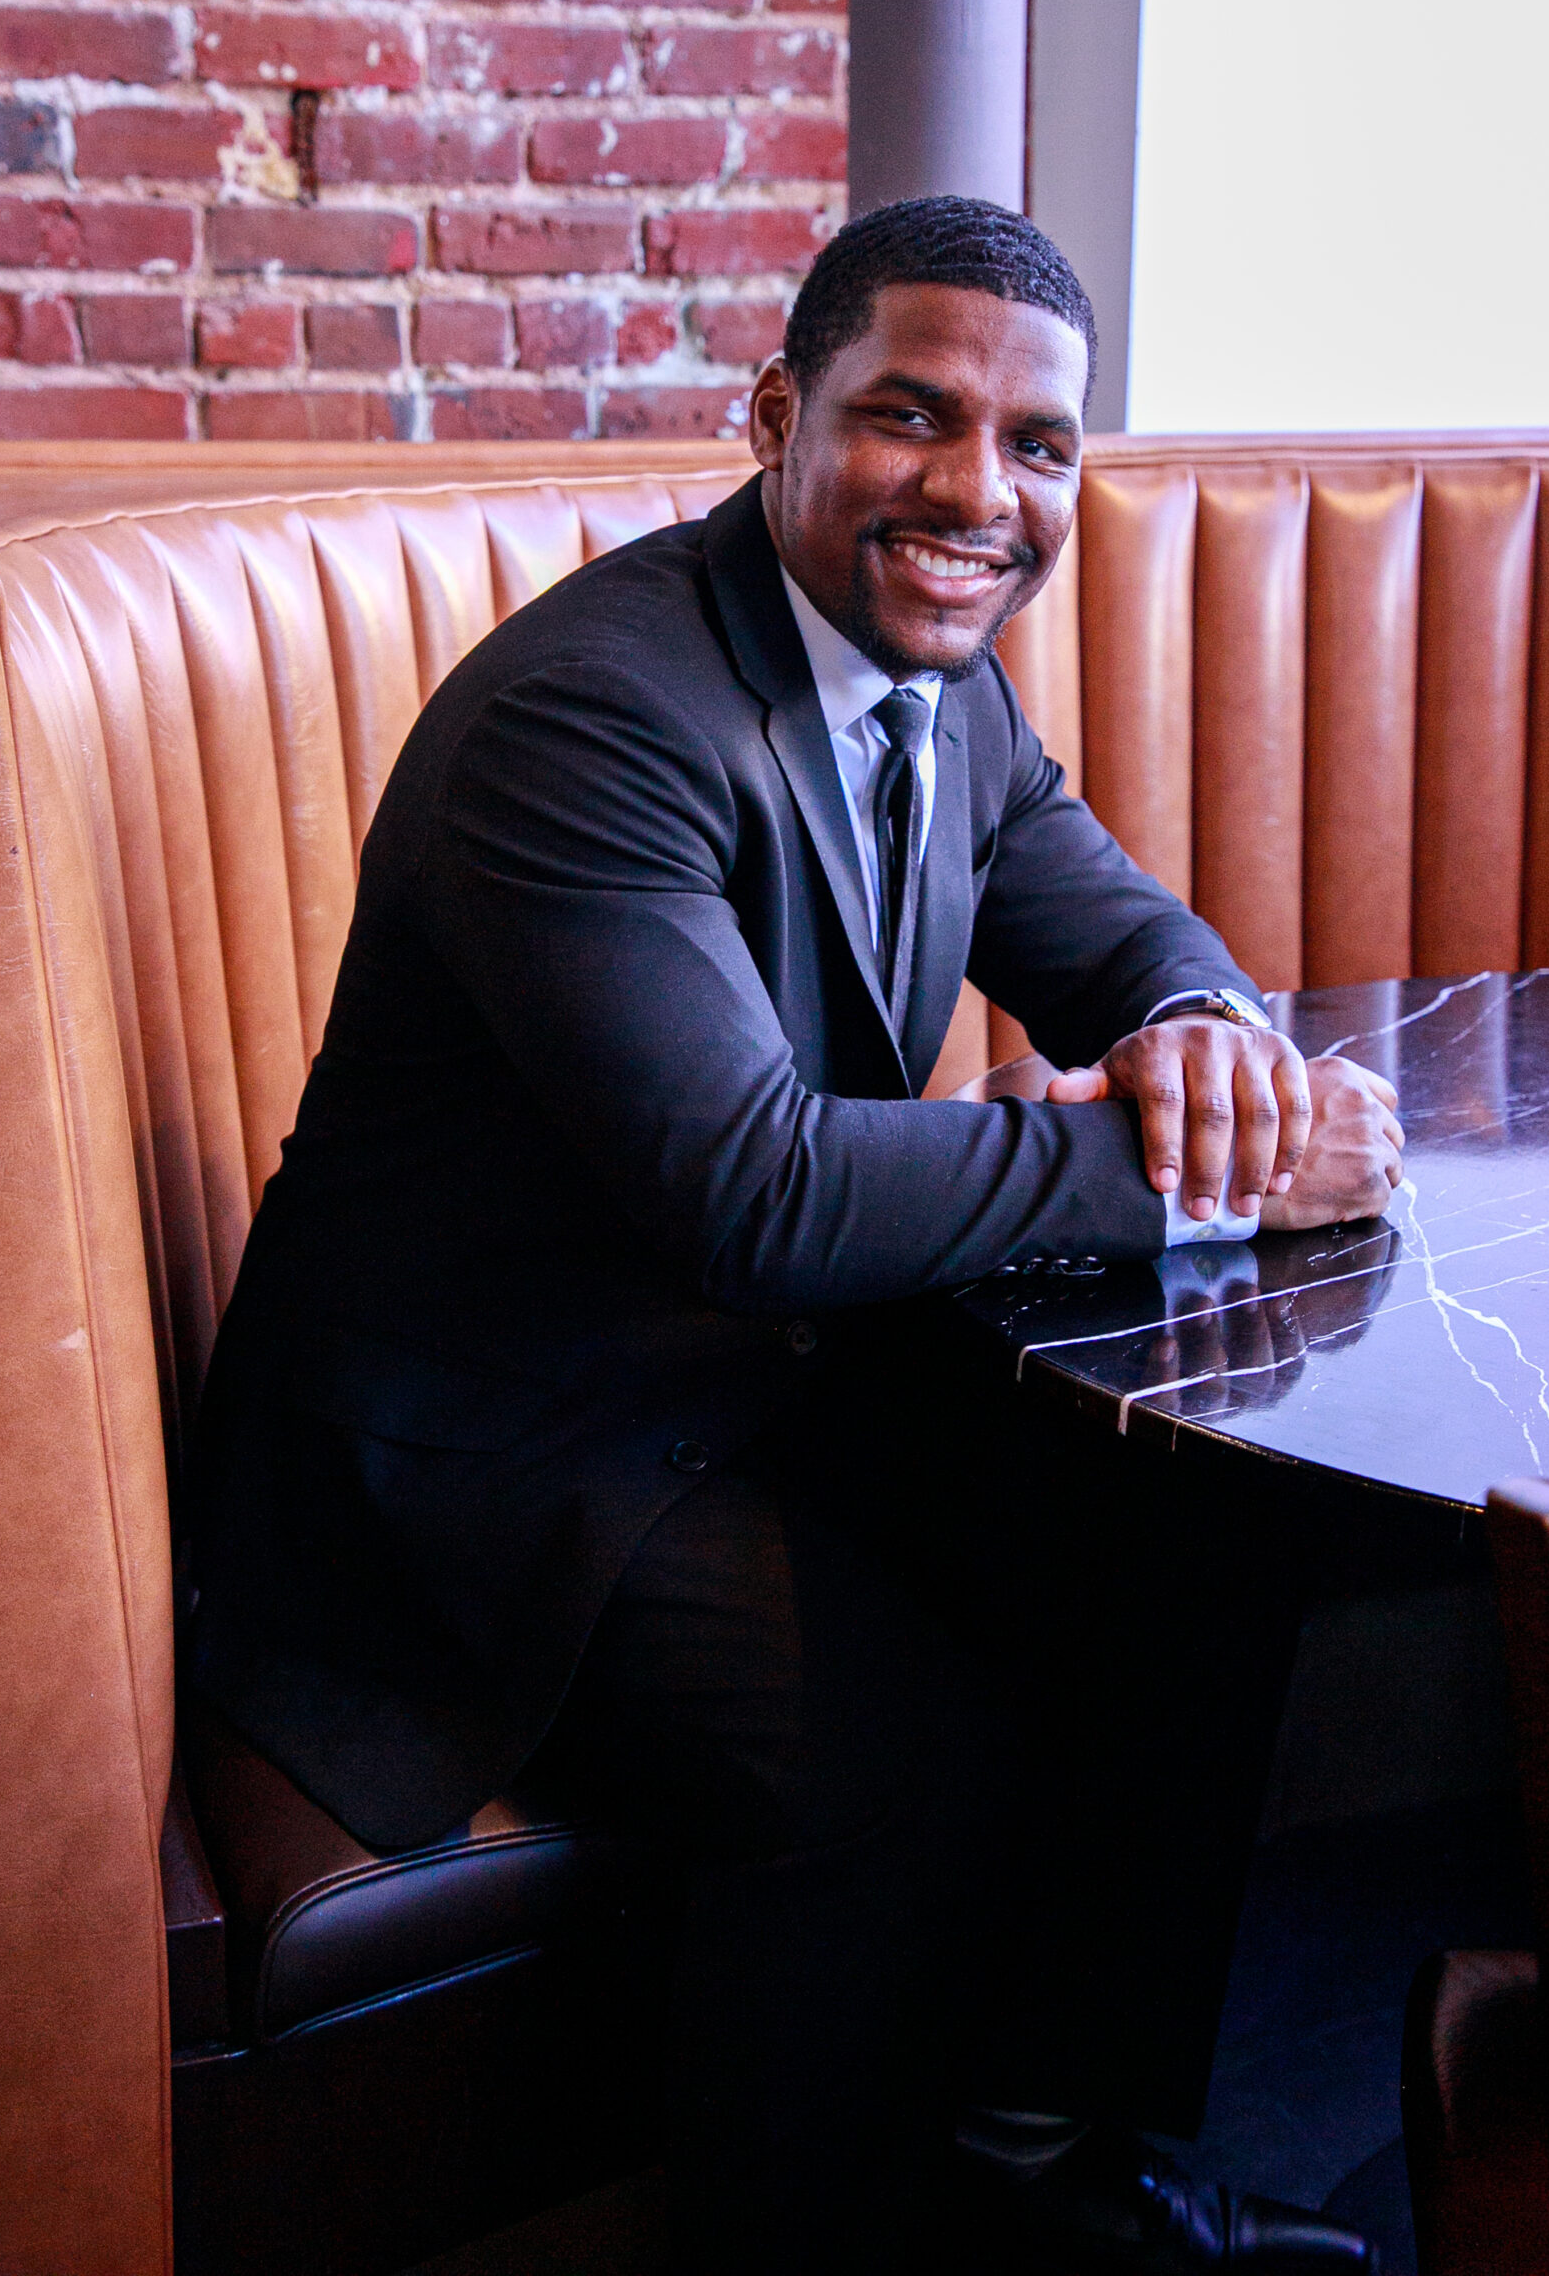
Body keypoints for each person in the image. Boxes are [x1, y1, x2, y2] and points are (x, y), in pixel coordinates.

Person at [190, 197, 1403, 2273]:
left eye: (1033, 442)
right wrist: (1202, 1167)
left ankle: (1043, 2159)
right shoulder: (593, 716)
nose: (975, 488)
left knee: (1205, 1532)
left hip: (722, 1381)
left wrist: (1199, 1031)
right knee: (883, 1755)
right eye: (907, 416)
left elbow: (1097, 915)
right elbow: (752, 1188)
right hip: (478, 1453)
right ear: (777, 414)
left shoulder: (937, 681)